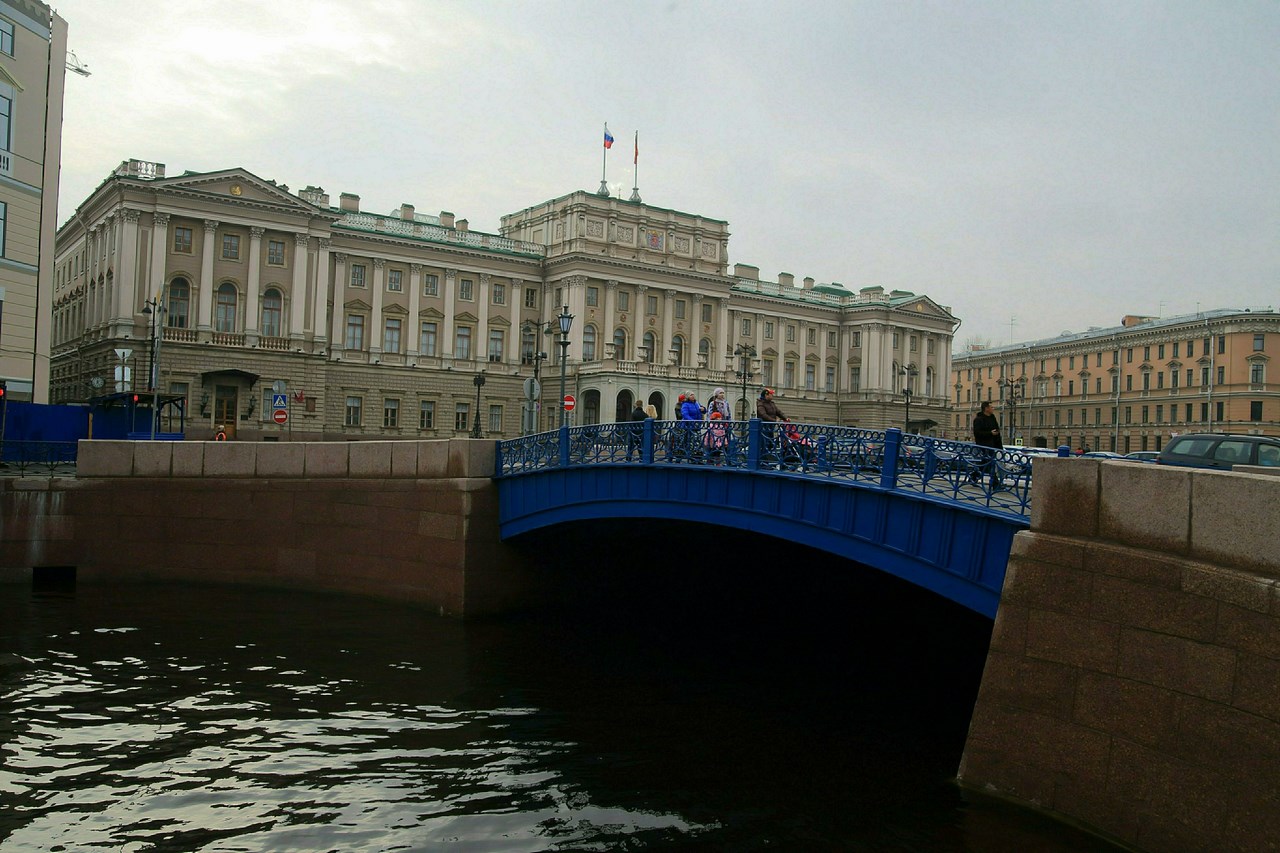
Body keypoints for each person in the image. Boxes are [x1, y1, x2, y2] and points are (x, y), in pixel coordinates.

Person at [972, 402, 1003, 489]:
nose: (993, 409)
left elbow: (997, 430)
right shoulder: (978, 419)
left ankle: (974, 476)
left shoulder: (992, 418)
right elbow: (977, 433)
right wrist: (990, 433)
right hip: (984, 445)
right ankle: (995, 484)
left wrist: (999, 446)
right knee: (990, 463)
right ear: (986, 408)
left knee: (985, 463)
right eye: (991, 407)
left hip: (992, 444)